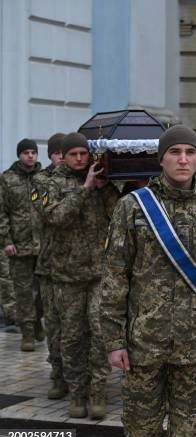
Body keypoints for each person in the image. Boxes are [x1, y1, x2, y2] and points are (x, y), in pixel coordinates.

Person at [100, 125, 196, 437]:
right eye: (174, 152)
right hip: (143, 346)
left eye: (190, 153)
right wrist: (114, 341)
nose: (183, 159)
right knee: (142, 435)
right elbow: (114, 277)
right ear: (161, 159)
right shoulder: (133, 207)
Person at [41, 132, 119, 419]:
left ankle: (98, 392)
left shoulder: (100, 184)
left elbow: (118, 216)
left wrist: (105, 188)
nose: (78, 159)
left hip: (99, 273)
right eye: (73, 154)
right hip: (66, 275)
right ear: (64, 155)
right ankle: (77, 393)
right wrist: (85, 188)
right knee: (72, 337)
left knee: (100, 335)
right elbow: (55, 217)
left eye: (83, 154)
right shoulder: (48, 183)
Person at [0, 138, 44, 351]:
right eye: (26, 152)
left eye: (33, 152)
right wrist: (6, 241)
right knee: (24, 291)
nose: (30, 156)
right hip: (19, 245)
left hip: (44, 245)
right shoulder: (7, 179)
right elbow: (1, 213)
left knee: (44, 291)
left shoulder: (45, 178)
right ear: (19, 155)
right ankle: (27, 332)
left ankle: (36, 320)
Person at [32, 132, 68, 399]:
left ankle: (82, 377)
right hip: (50, 267)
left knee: (80, 328)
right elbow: (50, 212)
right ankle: (58, 375)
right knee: (54, 325)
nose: (62, 159)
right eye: (58, 154)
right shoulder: (39, 182)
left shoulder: (81, 178)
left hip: (80, 267)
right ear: (52, 156)